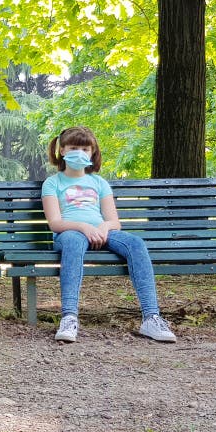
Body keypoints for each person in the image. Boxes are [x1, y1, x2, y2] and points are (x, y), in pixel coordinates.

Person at [42, 126, 176, 343]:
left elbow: (114, 221)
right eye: (74, 147)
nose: (80, 153)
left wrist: (103, 229)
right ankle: (69, 317)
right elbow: (55, 223)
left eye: (85, 148)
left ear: (92, 152)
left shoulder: (99, 182)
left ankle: (151, 317)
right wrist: (84, 228)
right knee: (75, 243)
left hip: (102, 232)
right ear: (63, 151)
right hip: (70, 233)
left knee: (135, 243)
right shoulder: (53, 182)